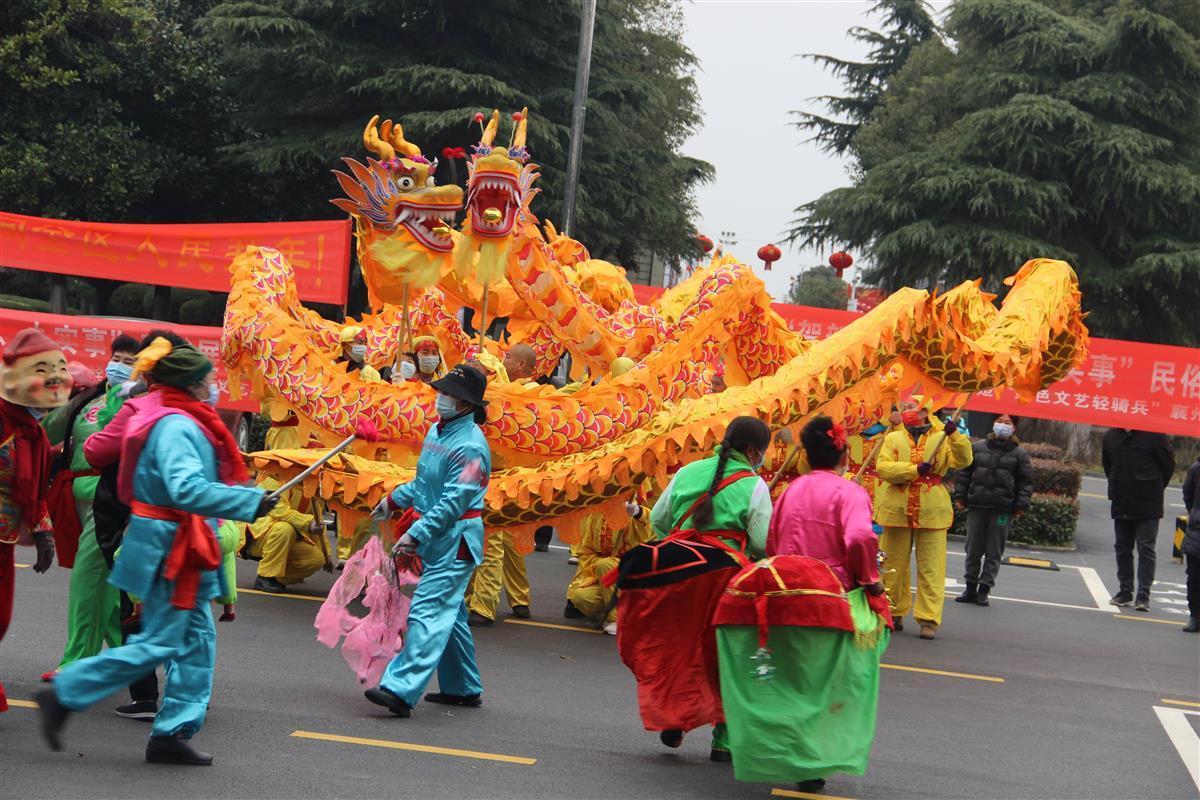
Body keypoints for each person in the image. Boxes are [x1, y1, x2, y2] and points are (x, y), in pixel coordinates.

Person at [36, 336, 273, 765]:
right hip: (169, 545)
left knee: (195, 642)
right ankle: (68, 693)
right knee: (165, 640)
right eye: (207, 378)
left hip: (176, 541)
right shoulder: (177, 425)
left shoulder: (178, 417)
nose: (213, 384)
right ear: (189, 382)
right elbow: (184, 489)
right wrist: (247, 503)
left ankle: (172, 731)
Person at [716, 416, 889, 793]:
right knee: (826, 683)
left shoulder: (792, 489)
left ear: (808, 455)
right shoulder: (851, 493)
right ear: (843, 453)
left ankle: (771, 745)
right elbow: (860, 537)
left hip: (782, 593)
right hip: (828, 599)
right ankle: (810, 760)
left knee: (789, 678)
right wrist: (870, 582)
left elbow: (774, 539)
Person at [613, 416, 772, 762]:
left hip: (676, 571)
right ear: (751, 451)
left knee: (678, 649)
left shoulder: (687, 472)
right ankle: (724, 742)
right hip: (726, 579)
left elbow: (657, 520)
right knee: (730, 656)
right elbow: (762, 542)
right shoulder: (755, 485)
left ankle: (674, 719)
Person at [364, 364, 491, 718]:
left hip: (455, 540)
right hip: (435, 535)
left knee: (427, 612)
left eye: (450, 394)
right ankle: (463, 687)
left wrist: (414, 534)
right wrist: (394, 500)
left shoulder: (471, 447)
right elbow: (425, 485)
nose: (442, 398)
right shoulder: (439, 431)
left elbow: (454, 502)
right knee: (451, 616)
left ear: (466, 404)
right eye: (444, 391)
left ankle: (400, 689)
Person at [41, 335, 139, 682]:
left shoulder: (137, 402)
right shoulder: (89, 396)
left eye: (130, 361)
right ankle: (126, 659)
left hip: (110, 499)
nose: (120, 366)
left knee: (88, 578)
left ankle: (77, 660)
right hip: (75, 493)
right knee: (108, 585)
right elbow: (47, 429)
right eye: (118, 358)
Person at [1, 328, 72, 713]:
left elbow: (36, 491)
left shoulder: (34, 432)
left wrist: (43, 533)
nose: (55, 377)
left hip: (6, 538)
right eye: (43, 369)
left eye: (59, 368)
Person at [875, 396, 972, 640]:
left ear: (926, 411)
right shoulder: (893, 438)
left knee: (932, 568)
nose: (906, 411)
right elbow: (883, 468)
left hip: (932, 510)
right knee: (892, 564)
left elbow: (965, 460)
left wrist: (955, 436)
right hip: (896, 508)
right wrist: (912, 471)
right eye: (904, 407)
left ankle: (929, 619)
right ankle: (892, 612)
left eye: (911, 407)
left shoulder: (942, 437)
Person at [465, 343, 535, 624]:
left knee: (493, 540)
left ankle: (483, 606)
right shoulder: (481, 398)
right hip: (481, 474)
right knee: (501, 539)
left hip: (505, 476)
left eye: (480, 370)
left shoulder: (513, 397)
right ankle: (518, 599)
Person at [953, 413, 1033, 606]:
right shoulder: (978, 447)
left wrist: (1020, 505)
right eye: (999, 421)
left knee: (994, 551)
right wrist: (960, 496)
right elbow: (964, 474)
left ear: (1014, 428)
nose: (1002, 426)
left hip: (1002, 510)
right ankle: (970, 587)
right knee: (972, 550)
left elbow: (1025, 483)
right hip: (977, 506)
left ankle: (984, 590)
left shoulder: (1020, 454)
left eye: (1007, 423)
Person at [1102, 428, 1174, 611]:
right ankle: (1125, 591)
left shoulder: (1155, 434)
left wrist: (1154, 486)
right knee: (1122, 547)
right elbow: (1108, 466)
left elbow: (1168, 465)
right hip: (1122, 499)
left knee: (1146, 548)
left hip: (1148, 501)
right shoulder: (1111, 435)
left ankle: (1143, 596)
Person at [565, 498, 653, 634]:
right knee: (582, 597)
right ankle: (627, 612)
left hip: (633, 572)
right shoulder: (595, 514)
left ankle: (617, 619)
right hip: (605, 572)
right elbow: (586, 551)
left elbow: (648, 528)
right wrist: (598, 567)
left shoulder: (631, 510)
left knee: (606, 564)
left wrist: (637, 512)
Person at [245, 476, 331, 593]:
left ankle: (277, 577)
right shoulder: (275, 476)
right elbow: (279, 511)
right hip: (257, 534)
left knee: (315, 560)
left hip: (290, 537)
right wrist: (307, 523)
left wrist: (327, 555)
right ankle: (265, 576)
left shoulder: (313, 485)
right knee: (285, 528)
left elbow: (318, 522)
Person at [1181, 458, 1200, 633]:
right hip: (1197, 531)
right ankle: (1195, 615)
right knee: (1193, 578)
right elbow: (1187, 493)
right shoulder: (1197, 468)